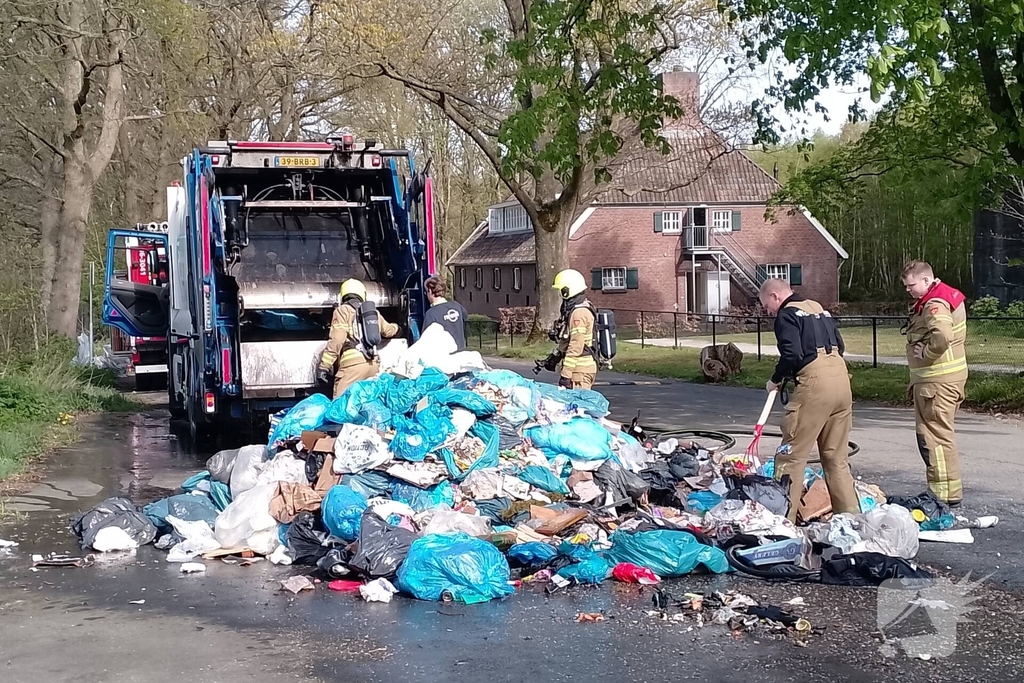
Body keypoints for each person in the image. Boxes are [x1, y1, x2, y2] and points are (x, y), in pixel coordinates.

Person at [760, 278, 860, 523]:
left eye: (767, 307)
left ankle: (783, 521)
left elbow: (791, 354)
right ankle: (851, 521)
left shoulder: (787, 315)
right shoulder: (817, 308)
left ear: (775, 296)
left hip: (816, 386)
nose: (769, 312)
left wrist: (776, 379)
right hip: (842, 382)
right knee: (836, 458)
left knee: (790, 457)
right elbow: (841, 345)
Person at [901, 260, 968, 506]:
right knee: (941, 435)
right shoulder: (944, 297)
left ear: (927, 281)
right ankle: (946, 492)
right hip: (944, 380)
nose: (908, 290)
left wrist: (926, 354)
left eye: (911, 285)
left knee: (934, 439)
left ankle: (942, 496)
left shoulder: (934, 304)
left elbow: (941, 336)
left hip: (936, 382)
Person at [317, 278, 400, 399]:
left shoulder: (342, 311)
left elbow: (337, 339)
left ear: (342, 296)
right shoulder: (372, 313)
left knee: (340, 408)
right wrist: (398, 327)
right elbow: (388, 331)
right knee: (368, 403)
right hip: (373, 364)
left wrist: (324, 366)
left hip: (352, 367)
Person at [551, 269, 598, 390]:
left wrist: (565, 375)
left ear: (568, 290)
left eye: (561, 290)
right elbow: (568, 339)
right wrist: (555, 357)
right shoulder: (578, 308)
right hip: (578, 370)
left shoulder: (579, 313)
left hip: (580, 371)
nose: (560, 294)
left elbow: (576, 345)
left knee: (579, 407)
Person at [422, 276, 468, 351]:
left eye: (426, 292)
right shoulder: (457, 306)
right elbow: (465, 317)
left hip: (444, 357)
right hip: (461, 354)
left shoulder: (431, 314)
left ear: (430, 291)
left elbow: (426, 339)